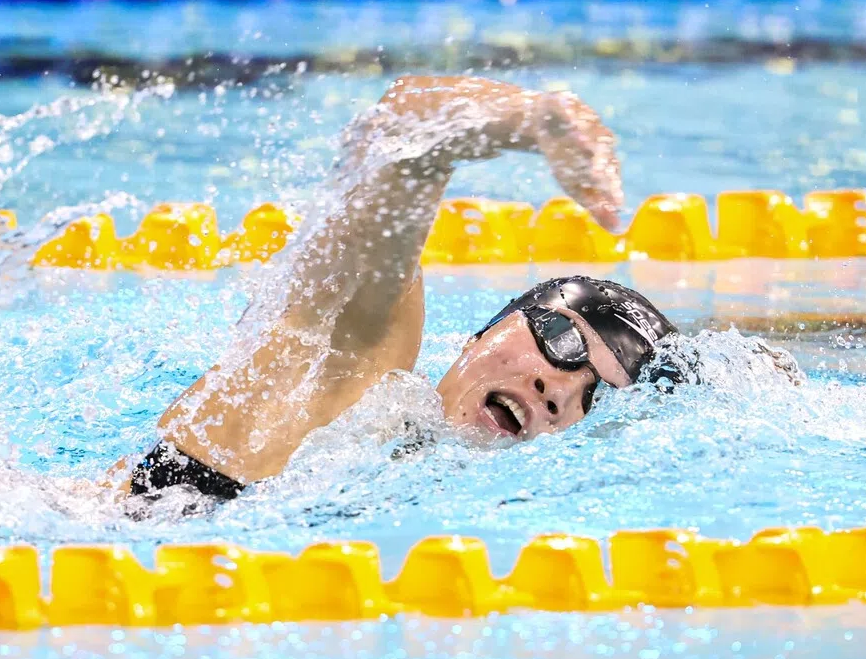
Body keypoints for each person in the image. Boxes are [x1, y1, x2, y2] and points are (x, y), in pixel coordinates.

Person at [118, 75, 678, 500]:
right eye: (564, 340)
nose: (558, 388)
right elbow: (395, 135)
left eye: (595, 394)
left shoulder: (441, 498)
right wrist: (528, 120)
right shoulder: (352, 367)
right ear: (483, 334)